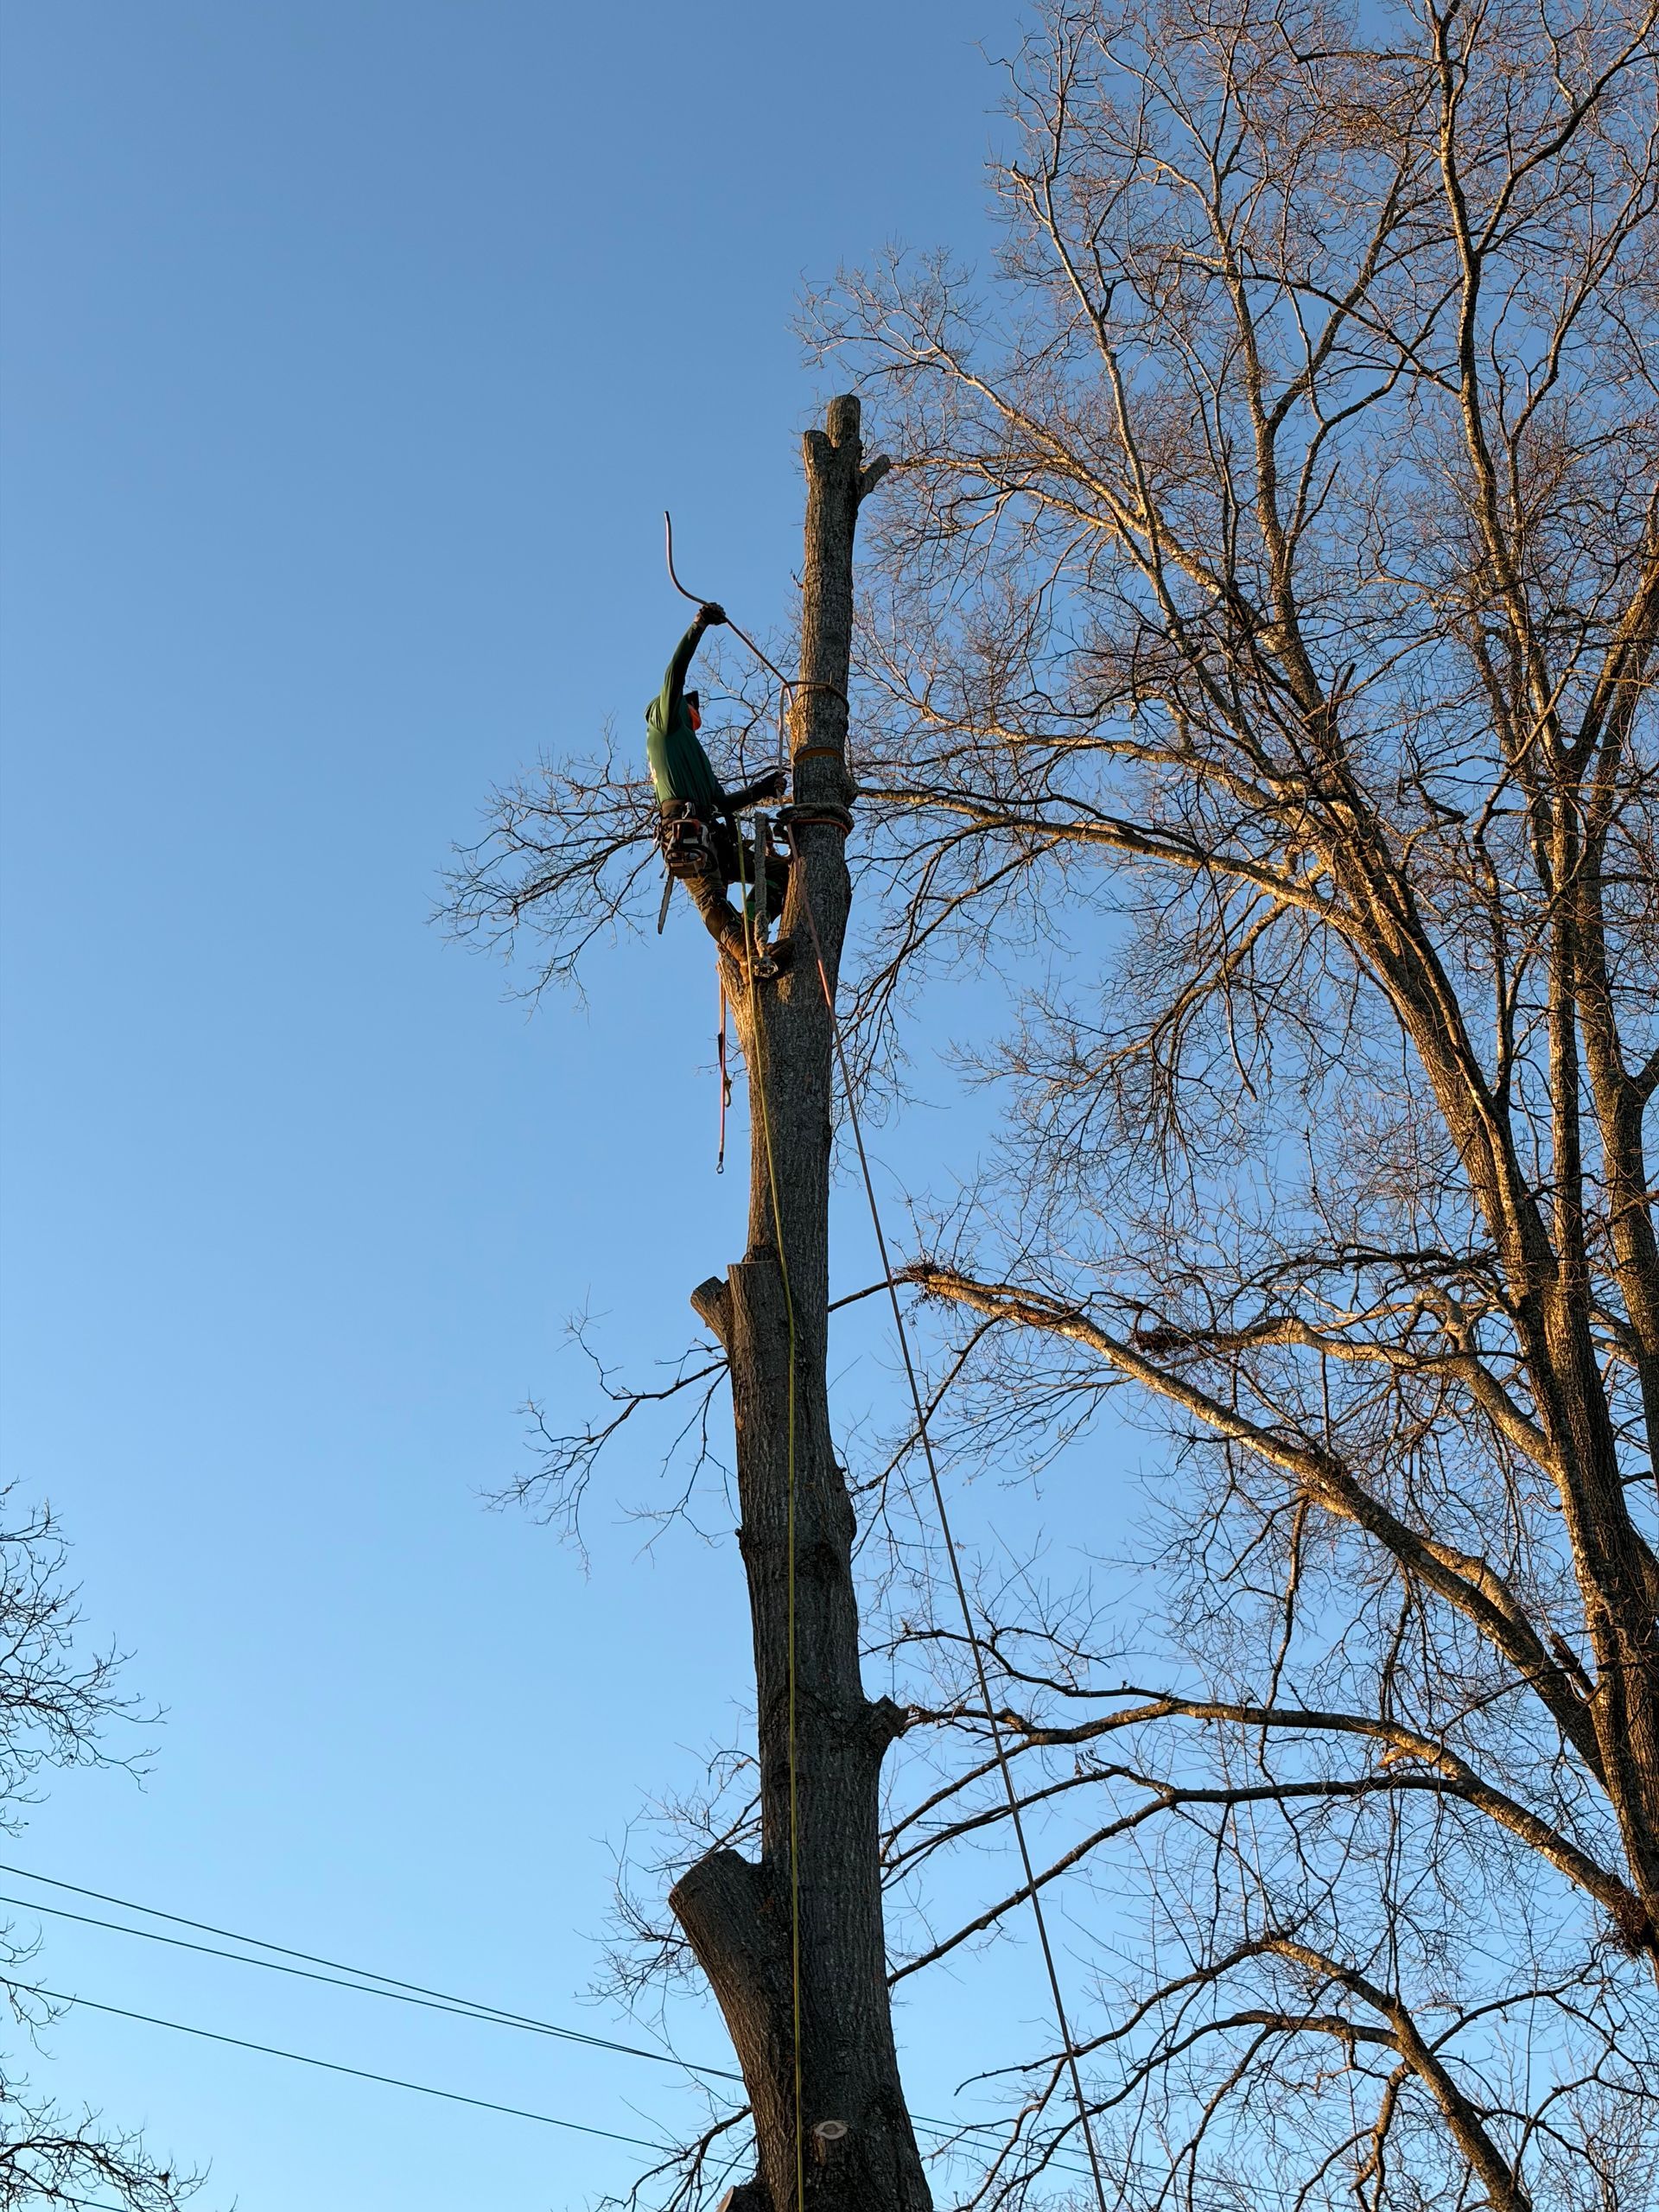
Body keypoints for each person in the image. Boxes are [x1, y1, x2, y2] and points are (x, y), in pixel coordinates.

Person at [647, 602, 788, 920]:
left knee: (779, 872)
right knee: (712, 898)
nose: (697, 722)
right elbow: (675, 675)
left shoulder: (697, 761)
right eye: (694, 714)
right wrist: (698, 627)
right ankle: (740, 947)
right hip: (687, 833)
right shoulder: (665, 725)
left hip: (713, 835)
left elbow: (722, 802)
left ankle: (754, 932)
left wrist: (761, 790)